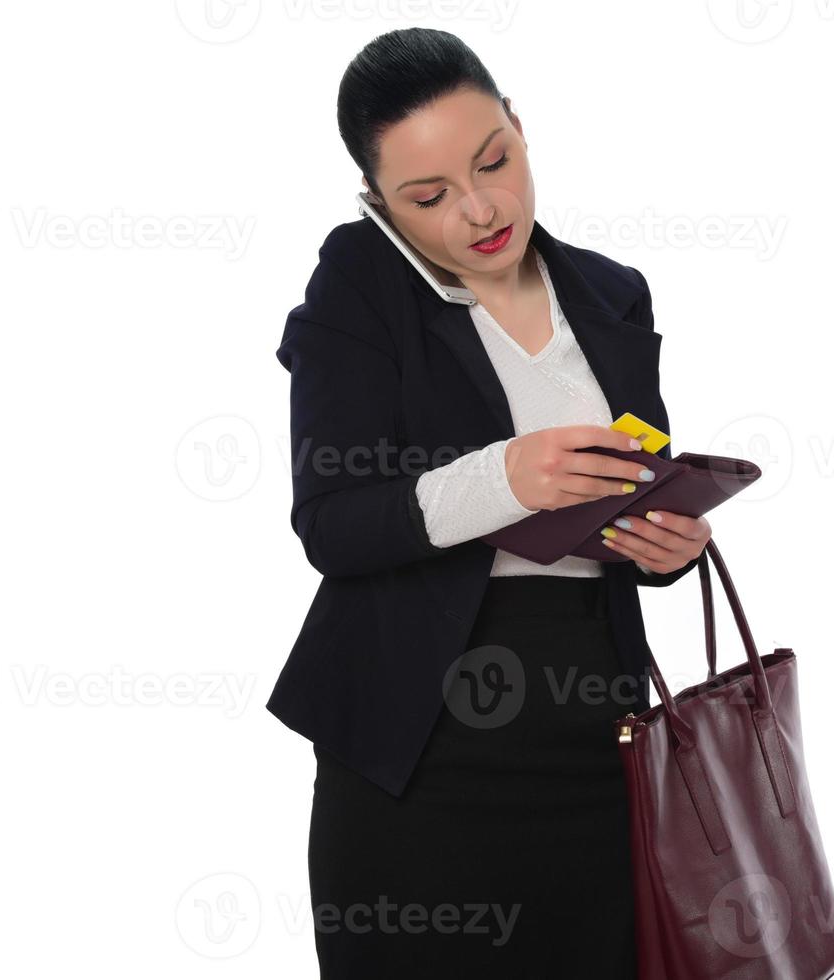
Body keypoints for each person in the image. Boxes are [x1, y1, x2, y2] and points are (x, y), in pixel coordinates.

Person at [274, 27, 711, 978]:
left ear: (517, 125)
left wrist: (667, 544)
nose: (479, 209)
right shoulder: (360, 283)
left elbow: (635, 482)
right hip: (417, 745)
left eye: (494, 161)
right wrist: (504, 478)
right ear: (377, 202)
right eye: (428, 197)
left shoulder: (609, 291)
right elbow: (333, 523)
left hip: (594, 732)